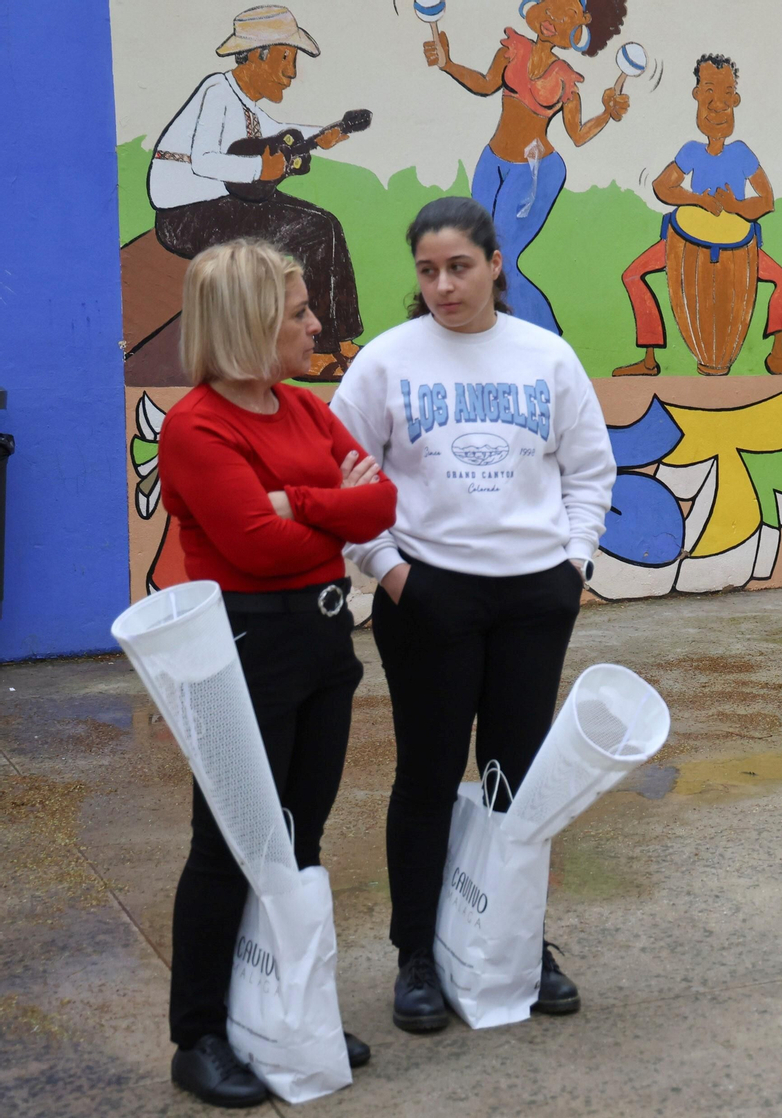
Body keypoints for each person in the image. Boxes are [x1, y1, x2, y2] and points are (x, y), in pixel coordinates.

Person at [331, 197, 616, 1032]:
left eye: (459, 267)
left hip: (534, 596)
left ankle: (517, 944)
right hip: (428, 596)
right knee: (426, 775)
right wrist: (390, 573)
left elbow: (590, 470)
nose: (444, 286)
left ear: (496, 262)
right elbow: (340, 483)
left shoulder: (547, 357)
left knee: (515, 781)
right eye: (428, 271)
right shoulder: (386, 363)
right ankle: (416, 954)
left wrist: (574, 565)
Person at [158, 240, 396, 1106]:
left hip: (325, 645)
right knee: (228, 847)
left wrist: (304, 505)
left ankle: (284, 1013)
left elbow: (384, 502)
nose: (315, 323)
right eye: (298, 311)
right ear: (252, 322)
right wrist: (333, 511)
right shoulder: (198, 427)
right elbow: (252, 547)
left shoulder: (301, 408)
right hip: (247, 653)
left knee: (298, 843)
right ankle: (201, 1035)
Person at [149, 6, 364, 379]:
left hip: (224, 202)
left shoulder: (245, 102)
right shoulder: (217, 90)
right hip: (187, 214)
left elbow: (281, 127)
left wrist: (321, 135)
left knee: (328, 223)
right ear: (255, 56)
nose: (291, 73)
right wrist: (256, 169)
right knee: (309, 233)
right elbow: (203, 160)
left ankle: (341, 340)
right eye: (286, 58)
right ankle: (314, 352)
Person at [424, 0, 630, 333]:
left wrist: (608, 112)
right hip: (492, 163)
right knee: (477, 251)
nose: (551, 22)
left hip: (535, 172)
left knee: (500, 259)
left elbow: (577, 135)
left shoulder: (564, 78)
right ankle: (495, 332)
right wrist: (447, 63)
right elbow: (485, 84)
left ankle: (547, 336)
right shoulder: (512, 49)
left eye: (564, 18)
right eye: (548, 10)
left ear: (578, 31)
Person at [614, 53, 782, 376]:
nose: (717, 105)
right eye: (708, 93)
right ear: (696, 96)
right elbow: (663, 187)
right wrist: (696, 200)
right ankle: (649, 360)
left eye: (725, 95)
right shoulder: (691, 151)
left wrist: (735, 207)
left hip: (741, 249)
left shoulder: (742, 153)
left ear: (735, 99)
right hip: (683, 244)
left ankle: (777, 354)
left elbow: (767, 200)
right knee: (632, 274)